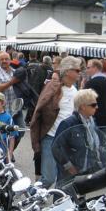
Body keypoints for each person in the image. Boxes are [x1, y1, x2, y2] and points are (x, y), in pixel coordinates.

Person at [30, 56, 83, 188]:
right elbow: (38, 112)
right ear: (68, 71)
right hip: (51, 138)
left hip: (67, 142)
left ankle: (58, 201)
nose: (79, 73)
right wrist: (36, 138)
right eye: (77, 70)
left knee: (65, 180)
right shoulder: (53, 88)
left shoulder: (75, 91)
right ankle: (30, 197)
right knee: (48, 178)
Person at [52, 89, 106, 189]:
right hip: (69, 173)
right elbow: (56, 147)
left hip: (84, 168)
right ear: (83, 106)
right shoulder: (68, 123)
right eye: (93, 105)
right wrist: (68, 166)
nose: (97, 107)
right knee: (64, 196)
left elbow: (95, 144)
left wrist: (105, 153)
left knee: (80, 196)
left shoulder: (91, 123)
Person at [84, 59, 106, 133]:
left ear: (95, 68)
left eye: (88, 68)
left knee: (93, 139)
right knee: (103, 139)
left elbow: (83, 101)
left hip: (94, 118)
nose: (87, 70)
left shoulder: (90, 83)